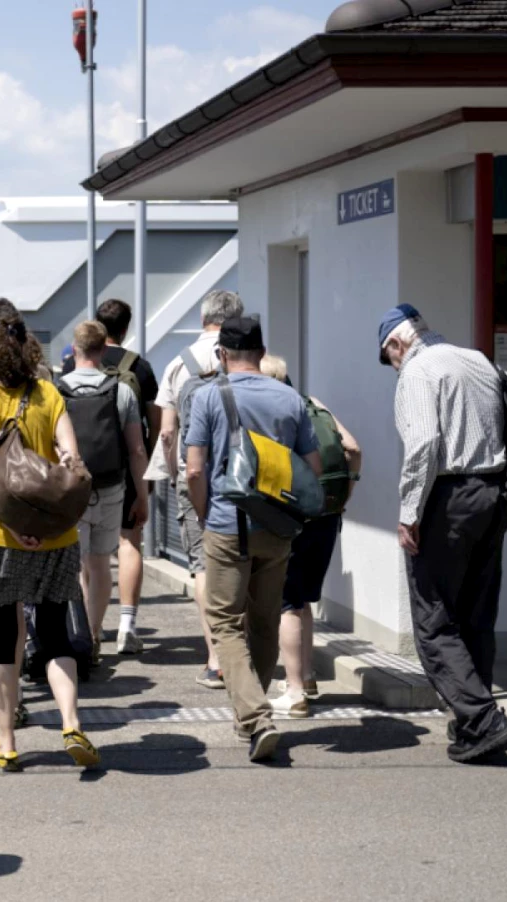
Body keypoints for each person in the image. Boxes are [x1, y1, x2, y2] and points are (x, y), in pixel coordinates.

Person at [0, 300, 98, 772]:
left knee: (1, 638)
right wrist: (49, 520)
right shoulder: (48, 394)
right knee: (54, 635)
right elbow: (71, 461)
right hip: (55, 537)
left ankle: (7, 742)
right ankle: (71, 722)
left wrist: (12, 523)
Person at [380, 304, 507, 763]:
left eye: (389, 357)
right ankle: (473, 724)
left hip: (448, 499)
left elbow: (423, 445)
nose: (393, 366)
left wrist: (408, 513)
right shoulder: (477, 359)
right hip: (493, 493)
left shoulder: (419, 372)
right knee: (476, 614)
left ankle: (481, 720)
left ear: (398, 344)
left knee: (435, 619)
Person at [184, 316, 321, 763]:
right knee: (263, 621)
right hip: (277, 527)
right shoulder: (290, 399)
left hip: (227, 523)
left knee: (224, 622)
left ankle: (256, 716)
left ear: (222, 354)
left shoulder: (207, 396)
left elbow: (194, 469)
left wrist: (206, 516)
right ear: (262, 354)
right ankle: (253, 711)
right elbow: (313, 469)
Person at [259, 355, 362, 718]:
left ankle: (295, 691)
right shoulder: (314, 404)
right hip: (327, 514)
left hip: (292, 515)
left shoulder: (270, 410)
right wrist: (343, 498)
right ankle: (306, 674)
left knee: (287, 602)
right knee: (304, 601)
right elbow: (353, 449)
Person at [157, 288, 245, 689]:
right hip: (246, 476)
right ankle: (246, 654)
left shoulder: (178, 363)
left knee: (203, 566)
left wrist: (177, 472)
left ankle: (216, 658)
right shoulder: (251, 359)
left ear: (201, 317)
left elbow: (167, 430)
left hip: (196, 474)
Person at [58, 321, 149, 664]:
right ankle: (95, 635)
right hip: (111, 487)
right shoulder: (120, 391)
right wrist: (141, 494)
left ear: (75, 348)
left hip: (71, 490)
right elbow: (137, 450)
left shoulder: (57, 390)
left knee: (76, 565)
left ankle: (78, 636)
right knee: (99, 564)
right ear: (102, 350)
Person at [82, 300, 160, 655]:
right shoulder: (139, 368)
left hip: (83, 473)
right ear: (126, 328)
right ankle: (127, 625)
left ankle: (88, 628)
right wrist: (148, 467)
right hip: (127, 468)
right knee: (130, 542)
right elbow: (154, 423)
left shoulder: (77, 364)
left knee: (89, 555)